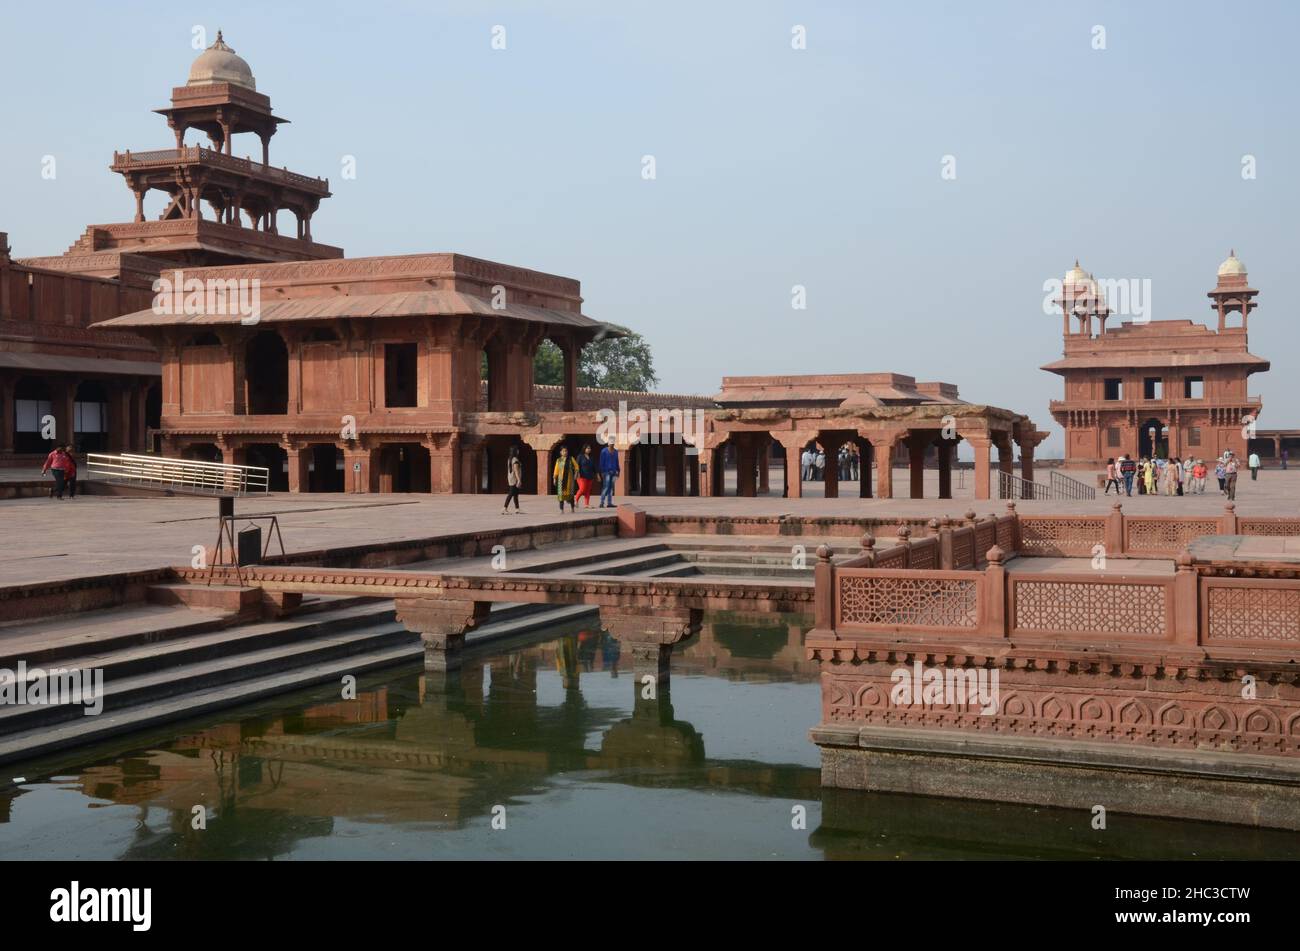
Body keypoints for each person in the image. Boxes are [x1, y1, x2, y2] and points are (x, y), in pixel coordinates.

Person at [553, 446, 578, 513]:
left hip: (569, 480)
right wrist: (554, 478)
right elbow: (556, 470)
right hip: (561, 481)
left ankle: (572, 508)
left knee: (571, 494)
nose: (565, 452)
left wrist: (576, 474)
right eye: (563, 451)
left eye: (566, 451)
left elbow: (576, 467)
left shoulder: (571, 459)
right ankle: (562, 510)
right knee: (561, 495)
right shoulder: (558, 460)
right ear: (560, 452)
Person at [502, 445, 523, 514]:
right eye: (517, 450)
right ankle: (504, 508)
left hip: (511, 478)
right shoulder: (515, 460)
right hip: (514, 479)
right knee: (511, 493)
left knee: (516, 494)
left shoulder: (510, 459)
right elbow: (516, 470)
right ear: (515, 451)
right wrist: (519, 480)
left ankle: (517, 509)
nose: (518, 451)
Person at [598, 441, 620, 507]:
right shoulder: (604, 451)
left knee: (611, 488)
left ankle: (609, 503)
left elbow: (617, 461)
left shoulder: (616, 451)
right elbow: (601, 462)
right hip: (606, 472)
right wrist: (602, 471)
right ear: (608, 444)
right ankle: (601, 502)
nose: (611, 445)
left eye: (613, 444)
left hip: (614, 472)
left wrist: (618, 470)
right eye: (610, 443)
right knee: (606, 487)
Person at [575, 444, 597, 508]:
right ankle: (575, 500)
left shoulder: (591, 457)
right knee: (582, 489)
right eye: (587, 448)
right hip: (581, 476)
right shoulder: (580, 456)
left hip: (590, 476)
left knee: (587, 491)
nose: (589, 449)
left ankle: (586, 504)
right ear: (584, 449)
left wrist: (597, 475)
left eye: (589, 448)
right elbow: (577, 465)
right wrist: (577, 473)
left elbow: (594, 467)